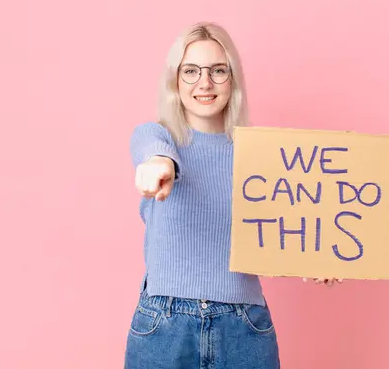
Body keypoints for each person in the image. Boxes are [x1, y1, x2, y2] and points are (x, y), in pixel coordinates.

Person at [124, 21, 341, 369]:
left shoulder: (262, 154)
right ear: (175, 80)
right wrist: (158, 165)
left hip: (244, 326)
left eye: (217, 71)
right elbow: (151, 150)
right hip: (165, 325)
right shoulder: (156, 137)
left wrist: (318, 256)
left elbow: (286, 222)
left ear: (233, 79)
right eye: (191, 71)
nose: (204, 83)